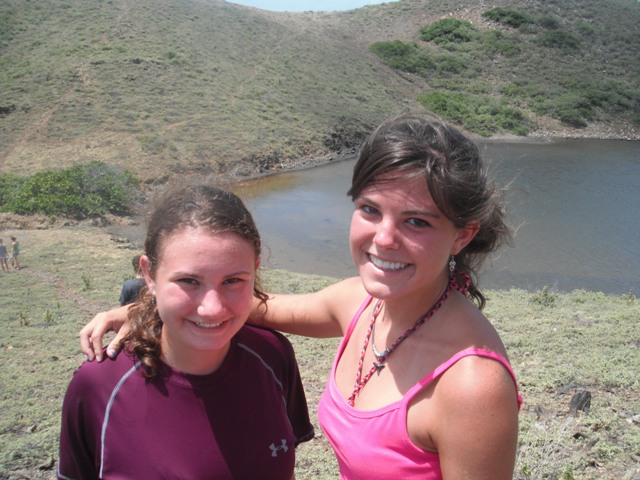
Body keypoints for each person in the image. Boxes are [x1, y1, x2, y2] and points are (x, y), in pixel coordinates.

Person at [81, 114, 521, 479]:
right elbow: (253, 307)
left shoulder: (472, 385)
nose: (384, 239)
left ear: (462, 236)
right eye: (370, 210)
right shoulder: (361, 304)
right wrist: (150, 306)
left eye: (417, 222)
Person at [61, 183, 313, 479]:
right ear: (149, 274)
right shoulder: (98, 385)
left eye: (232, 281)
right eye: (189, 281)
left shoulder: (272, 355)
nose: (212, 309)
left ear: (255, 270)